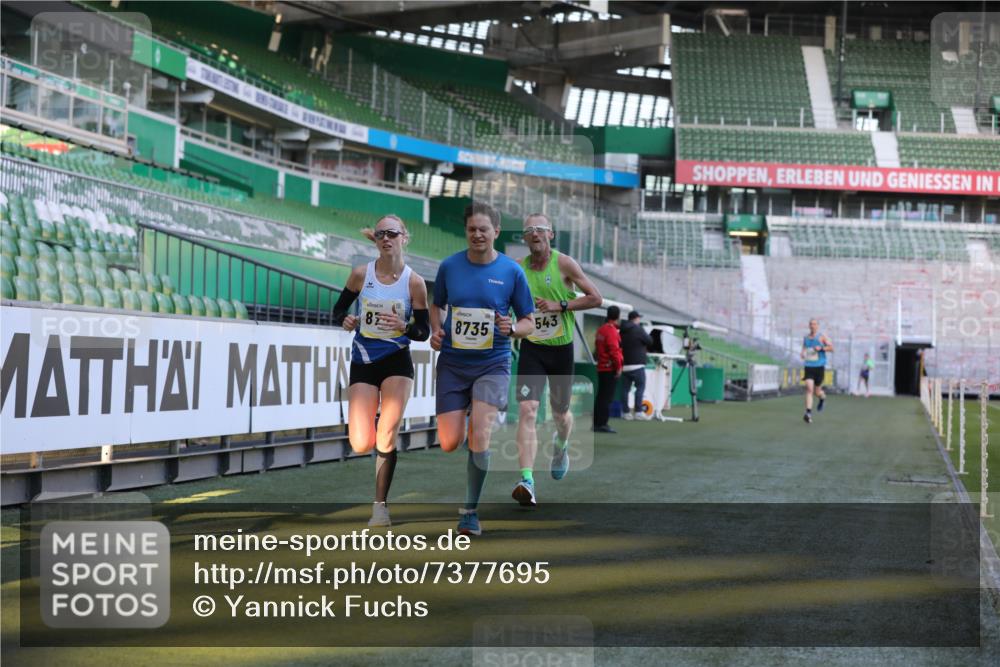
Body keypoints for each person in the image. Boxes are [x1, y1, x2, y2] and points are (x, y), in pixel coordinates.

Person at [430, 202, 534, 536]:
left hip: (493, 362)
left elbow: (529, 321)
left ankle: (470, 512)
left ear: (496, 232)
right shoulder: (449, 267)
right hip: (452, 363)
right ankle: (468, 446)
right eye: (472, 229)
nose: (477, 234)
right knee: (449, 441)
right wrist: (437, 329)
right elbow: (437, 304)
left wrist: (513, 329)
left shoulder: (511, 272)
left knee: (480, 433)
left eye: (483, 229)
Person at [331, 215, 429, 527]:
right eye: (380, 234)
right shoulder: (361, 274)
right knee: (361, 442)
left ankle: (380, 507)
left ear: (404, 238)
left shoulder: (414, 282)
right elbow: (338, 311)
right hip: (363, 358)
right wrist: (345, 320)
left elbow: (424, 330)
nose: (385, 239)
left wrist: (406, 326)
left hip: (397, 360)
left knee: (386, 435)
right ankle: (373, 449)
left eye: (392, 233)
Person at [511, 213, 602, 507]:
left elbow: (595, 298)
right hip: (532, 349)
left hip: (561, 350)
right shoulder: (518, 269)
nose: (535, 233)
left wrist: (560, 304)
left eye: (540, 229)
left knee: (560, 414)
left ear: (550, 234)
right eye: (529, 230)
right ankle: (527, 479)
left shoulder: (564, 263)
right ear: (524, 238)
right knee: (528, 409)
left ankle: (561, 446)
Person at [619, 310, 653, 421]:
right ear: (636, 318)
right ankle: (638, 412)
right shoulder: (638, 329)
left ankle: (625, 412)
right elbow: (649, 341)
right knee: (640, 388)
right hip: (638, 364)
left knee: (625, 390)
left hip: (625, 364)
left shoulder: (622, 330)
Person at [593, 306, 623, 433]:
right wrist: (618, 367)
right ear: (618, 316)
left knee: (601, 397)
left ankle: (597, 423)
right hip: (609, 368)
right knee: (606, 398)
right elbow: (614, 351)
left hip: (601, 367)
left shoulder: (601, 330)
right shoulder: (611, 331)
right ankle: (602, 424)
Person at [801, 318, 833, 424]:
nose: (812, 326)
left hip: (819, 367)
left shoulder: (822, 337)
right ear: (809, 326)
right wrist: (802, 353)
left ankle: (822, 398)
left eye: (814, 324)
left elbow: (832, 348)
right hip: (809, 366)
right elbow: (804, 348)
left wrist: (822, 348)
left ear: (817, 326)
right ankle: (808, 413)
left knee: (817, 392)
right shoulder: (806, 338)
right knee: (809, 389)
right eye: (811, 324)